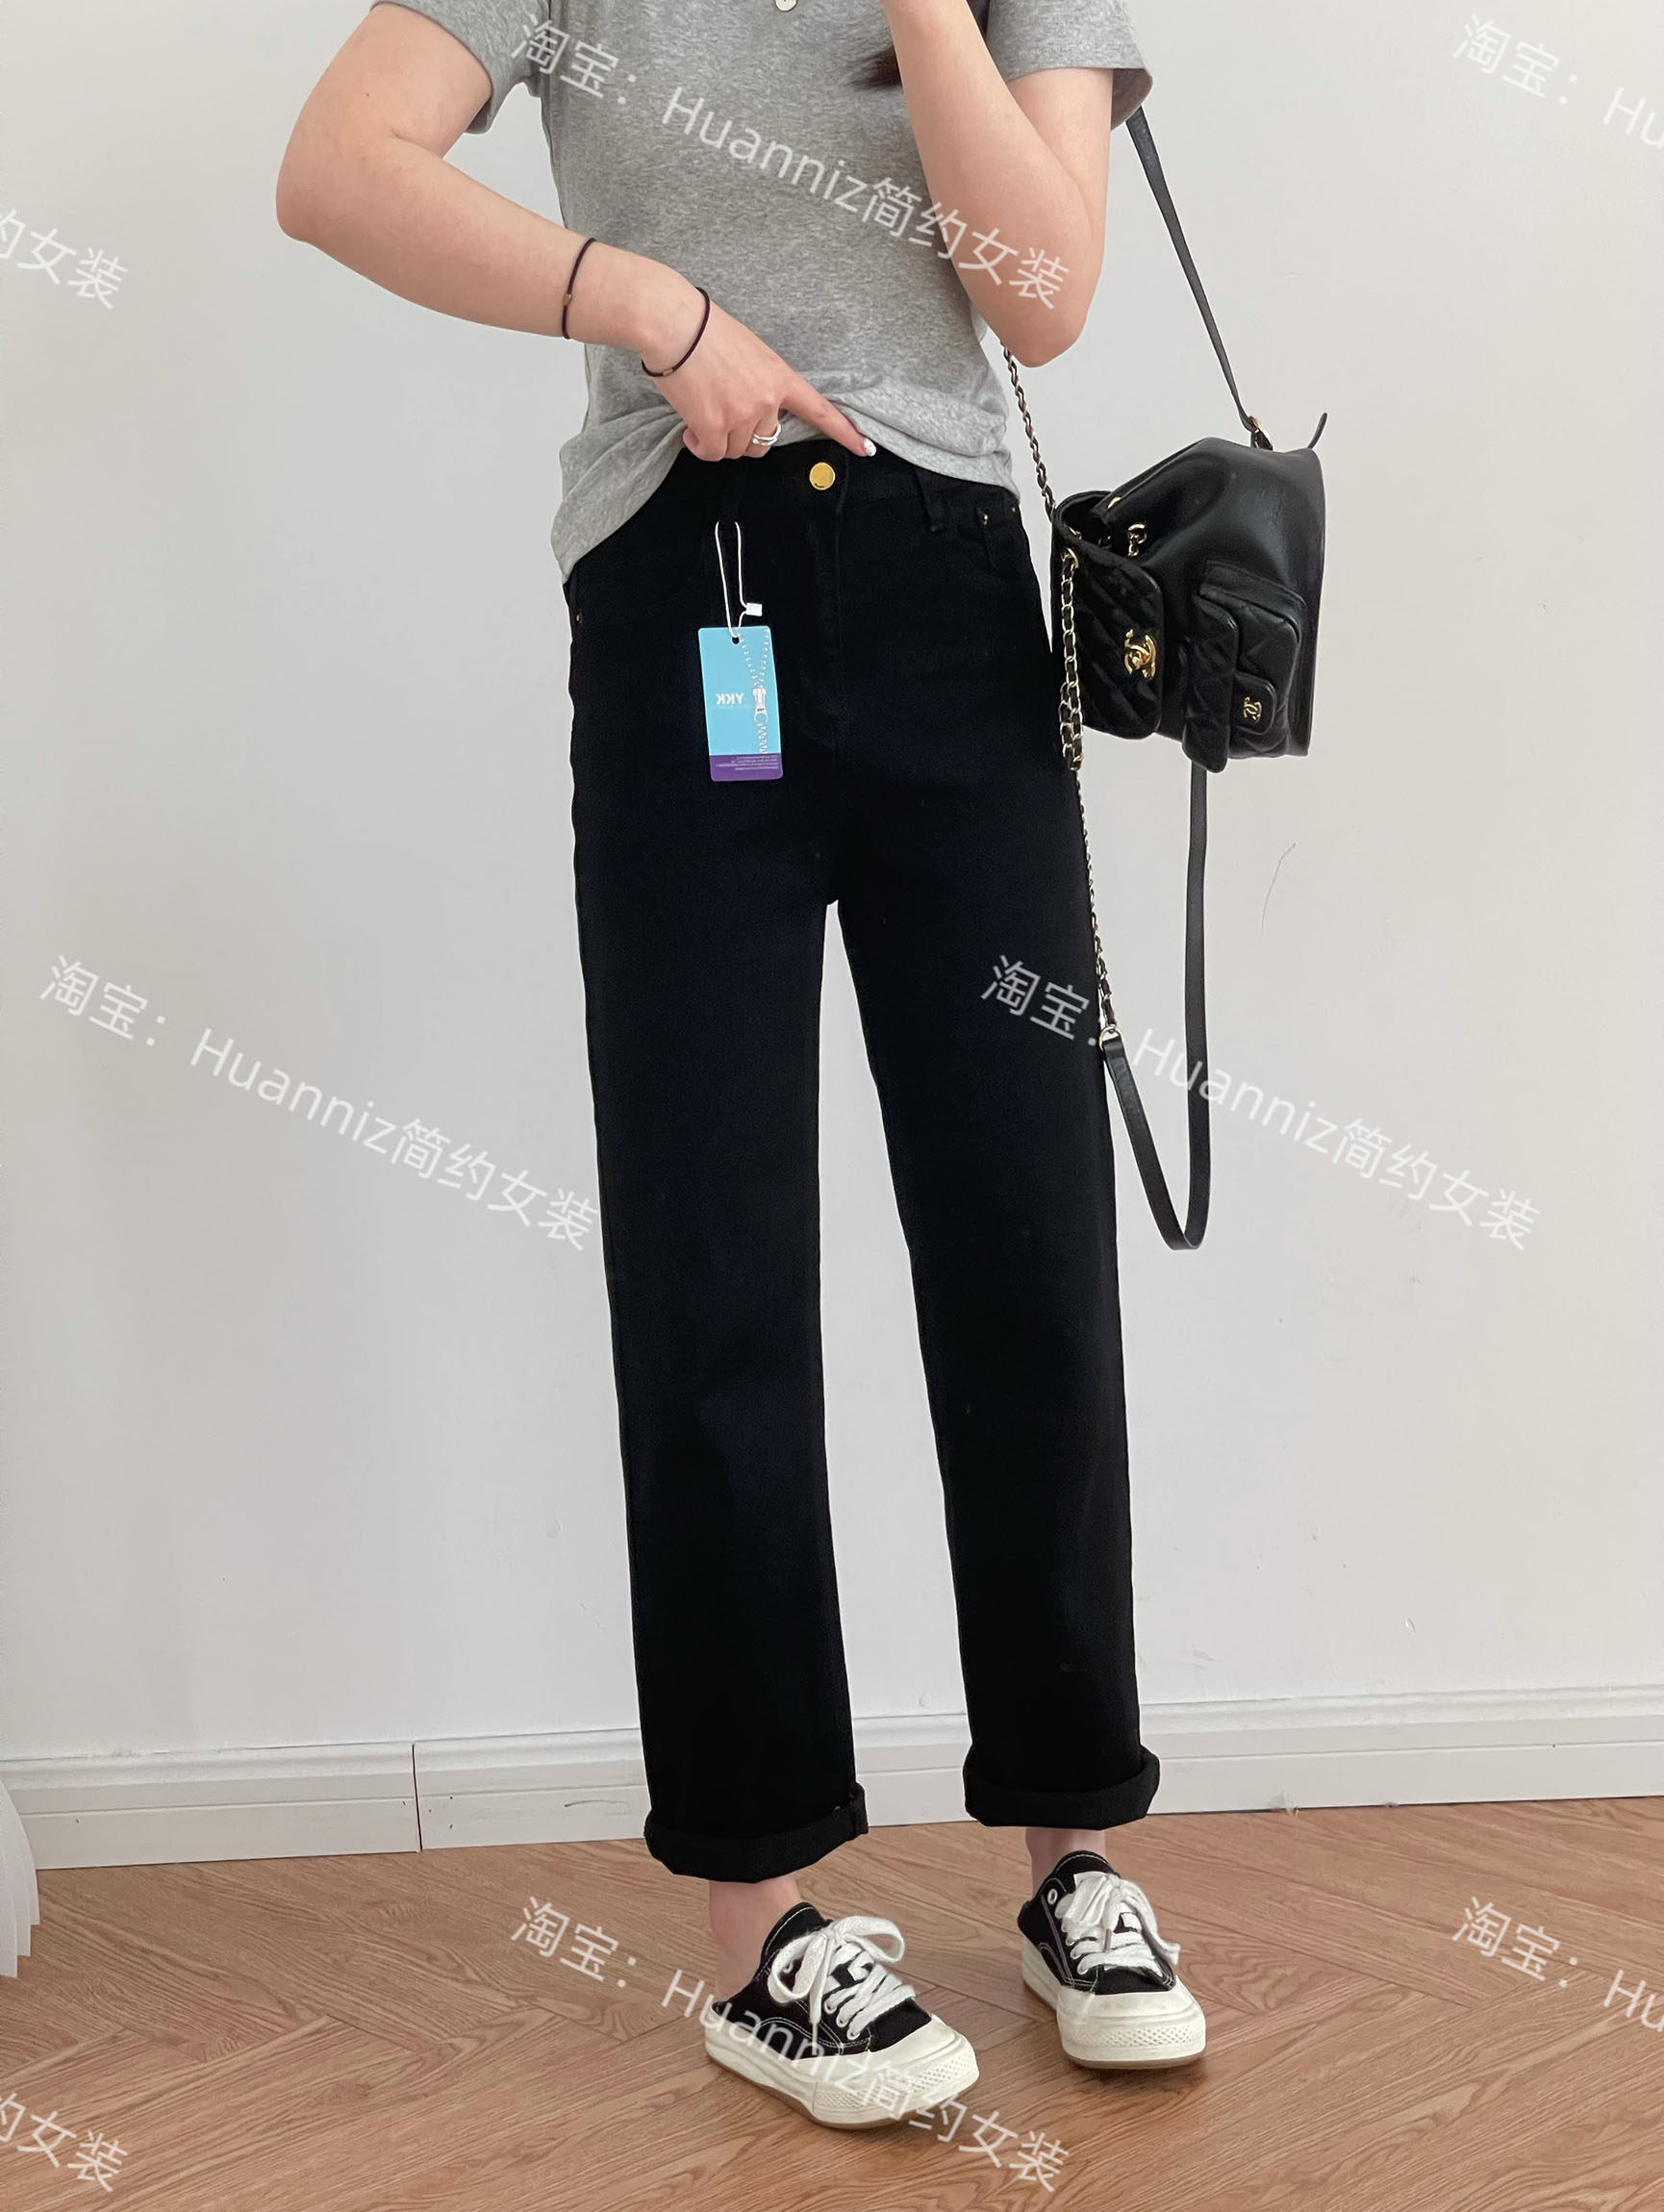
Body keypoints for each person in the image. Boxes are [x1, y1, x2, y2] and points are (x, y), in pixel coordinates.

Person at [277, 0, 1206, 2128]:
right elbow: (335, 168)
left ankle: (1073, 1849)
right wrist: (645, 303)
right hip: (679, 584)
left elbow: (1042, 302)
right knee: (713, 1262)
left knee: (1024, 1241)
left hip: (957, 612)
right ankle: (759, 1917)